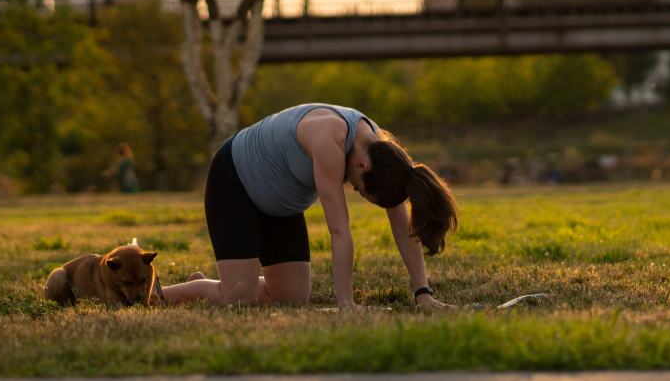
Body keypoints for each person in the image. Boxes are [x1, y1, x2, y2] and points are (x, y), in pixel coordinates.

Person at [156, 104, 458, 308]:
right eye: (360, 189)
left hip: (280, 203)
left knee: (290, 297)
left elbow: (402, 226)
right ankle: (154, 296)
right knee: (240, 298)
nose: (354, 189)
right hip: (235, 181)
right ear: (362, 166)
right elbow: (339, 231)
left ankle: (208, 286)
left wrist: (423, 294)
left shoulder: (384, 154)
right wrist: (347, 305)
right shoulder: (330, 138)